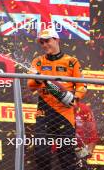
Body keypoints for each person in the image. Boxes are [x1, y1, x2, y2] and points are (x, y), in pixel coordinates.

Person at [27, 28, 87, 170]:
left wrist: (75, 98)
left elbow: (82, 85)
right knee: (41, 154)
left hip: (65, 114)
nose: (44, 44)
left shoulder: (71, 62)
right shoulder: (38, 61)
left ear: (57, 40)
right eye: (42, 42)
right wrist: (38, 77)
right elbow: (30, 85)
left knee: (66, 156)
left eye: (47, 40)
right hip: (44, 113)